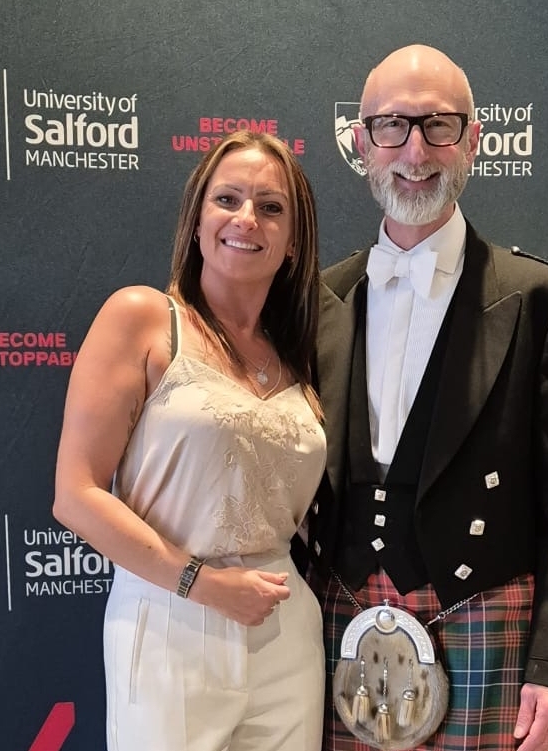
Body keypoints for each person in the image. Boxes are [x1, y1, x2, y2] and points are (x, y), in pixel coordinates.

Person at [306, 45, 548, 751]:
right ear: (361, 144)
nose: (416, 150)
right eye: (391, 127)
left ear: (474, 139)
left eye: (439, 126)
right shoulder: (321, 299)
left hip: (483, 624)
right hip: (338, 625)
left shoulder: (541, 302)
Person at [53, 130, 326, 751]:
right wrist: (200, 584)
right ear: (197, 220)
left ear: (291, 242)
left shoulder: (299, 355)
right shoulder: (143, 318)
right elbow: (75, 493)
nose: (247, 218)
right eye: (227, 199)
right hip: (171, 618)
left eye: (271, 206)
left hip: (283, 628)